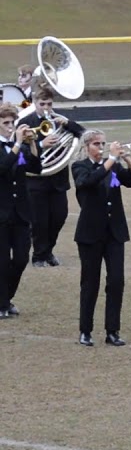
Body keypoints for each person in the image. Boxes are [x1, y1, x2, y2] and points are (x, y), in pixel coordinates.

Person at [73, 129, 131, 347]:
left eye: (103, 143)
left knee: (116, 282)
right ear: (87, 147)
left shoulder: (112, 165)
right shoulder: (79, 167)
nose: (101, 148)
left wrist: (127, 158)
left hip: (114, 233)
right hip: (90, 234)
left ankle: (112, 331)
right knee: (90, 284)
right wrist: (112, 159)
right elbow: (88, 182)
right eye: (96, 144)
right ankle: (85, 330)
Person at [20, 84, 85, 268]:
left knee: (59, 217)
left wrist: (68, 124)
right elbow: (20, 151)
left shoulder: (59, 120)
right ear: (35, 103)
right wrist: (41, 145)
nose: (47, 108)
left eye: (49, 104)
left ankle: (47, 251)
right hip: (35, 178)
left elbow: (84, 134)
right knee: (39, 221)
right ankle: (39, 256)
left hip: (57, 177)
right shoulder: (26, 122)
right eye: (42, 104)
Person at [0, 105, 40, 319]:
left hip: (21, 213)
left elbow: (36, 167)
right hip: (2, 213)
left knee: (22, 258)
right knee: (3, 261)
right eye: (5, 123)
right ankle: (3, 303)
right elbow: (3, 168)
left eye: (12, 123)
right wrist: (16, 143)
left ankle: (6, 297)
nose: (10, 127)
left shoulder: (20, 148)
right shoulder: (10, 146)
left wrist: (32, 142)